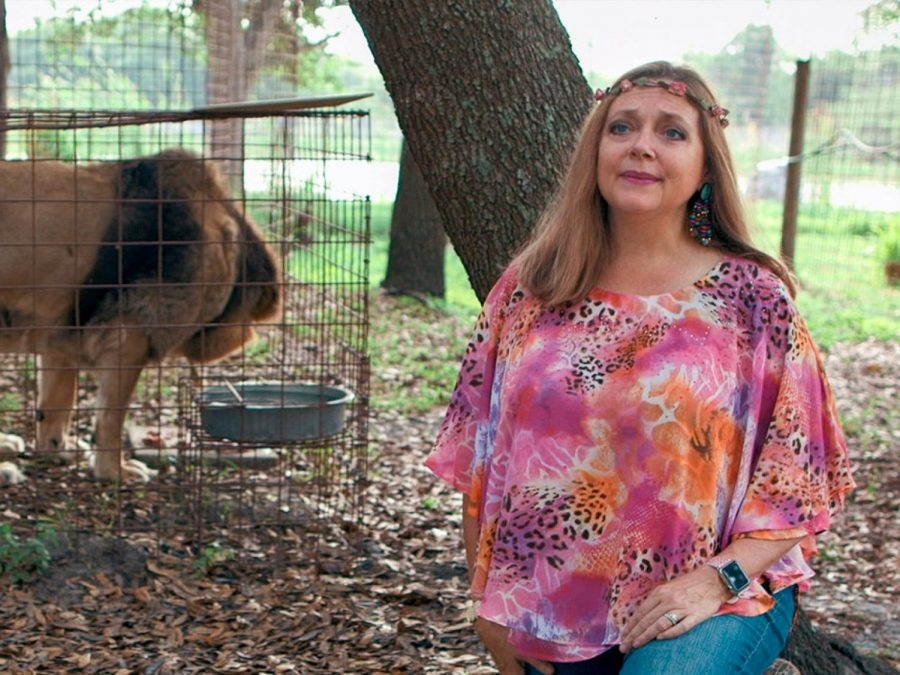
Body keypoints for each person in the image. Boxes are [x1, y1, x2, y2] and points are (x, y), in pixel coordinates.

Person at [425, 61, 855, 675]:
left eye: (672, 132)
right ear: (596, 151)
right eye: (622, 127)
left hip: (710, 600)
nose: (642, 146)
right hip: (549, 608)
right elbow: (482, 463)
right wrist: (487, 607)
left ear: (706, 166)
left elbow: (800, 479)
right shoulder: (531, 291)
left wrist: (715, 581)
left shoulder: (752, 298)